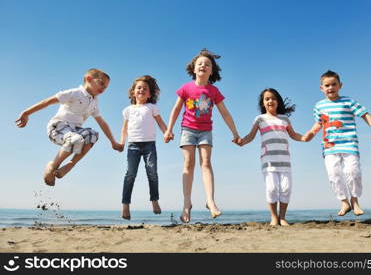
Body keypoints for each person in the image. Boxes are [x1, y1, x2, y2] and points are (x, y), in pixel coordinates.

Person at [164, 48, 241, 223]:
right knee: (188, 163)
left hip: (206, 131)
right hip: (188, 129)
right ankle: (186, 203)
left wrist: (235, 133)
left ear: (211, 71)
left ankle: (210, 201)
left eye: (207, 64)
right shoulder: (186, 88)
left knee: (206, 163)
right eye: (200, 63)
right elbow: (176, 109)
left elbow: (225, 113)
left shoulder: (213, 91)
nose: (203, 66)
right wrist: (169, 129)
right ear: (193, 68)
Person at [15, 68, 123, 186]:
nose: (103, 88)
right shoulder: (75, 93)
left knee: (93, 134)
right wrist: (26, 113)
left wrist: (113, 142)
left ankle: (71, 164)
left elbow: (102, 123)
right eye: (101, 83)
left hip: (73, 131)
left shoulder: (94, 102)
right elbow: (48, 101)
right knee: (76, 139)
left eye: (106, 87)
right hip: (57, 127)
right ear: (89, 79)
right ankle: (53, 165)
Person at [307, 70, 371, 216]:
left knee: (352, 172)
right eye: (327, 85)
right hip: (329, 146)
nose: (330, 87)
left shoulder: (348, 102)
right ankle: (344, 202)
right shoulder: (319, 106)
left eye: (334, 84)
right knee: (334, 174)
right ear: (321, 88)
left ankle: (355, 201)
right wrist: (310, 134)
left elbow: (365, 114)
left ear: (340, 85)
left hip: (349, 144)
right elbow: (319, 124)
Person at [239, 88, 313, 226]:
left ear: (278, 101)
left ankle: (282, 217)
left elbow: (294, 134)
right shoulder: (260, 119)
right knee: (272, 188)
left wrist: (304, 138)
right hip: (268, 160)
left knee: (286, 188)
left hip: (284, 160)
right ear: (263, 103)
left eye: (273, 98)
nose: (270, 101)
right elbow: (250, 136)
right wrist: (242, 142)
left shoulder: (284, 119)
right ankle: (274, 217)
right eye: (267, 99)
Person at [119, 75, 168, 220]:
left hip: (149, 145)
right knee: (130, 174)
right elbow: (124, 129)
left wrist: (166, 133)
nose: (141, 90)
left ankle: (154, 200)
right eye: (139, 88)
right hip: (132, 145)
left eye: (145, 88)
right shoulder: (127, 110)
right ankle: (125, 205)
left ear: (150, 94)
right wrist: (121, 143)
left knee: (152, 173)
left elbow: (160, 122)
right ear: (133, 92)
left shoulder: (152, 107)